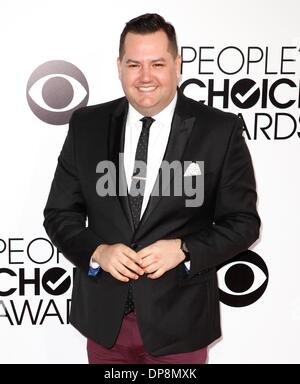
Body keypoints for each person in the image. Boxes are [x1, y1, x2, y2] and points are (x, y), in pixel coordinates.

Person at [43, 13, 260, 364]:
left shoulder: (219, 131)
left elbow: (243, 223)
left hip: (181, 325)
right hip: (104, 324)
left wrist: (185, 249)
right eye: (134, 64)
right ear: (119, 67)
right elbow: (59, 214)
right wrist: (98, 251)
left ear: (177, 64)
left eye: (157, 63)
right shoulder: (86, 126)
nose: (145, 77)